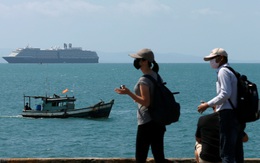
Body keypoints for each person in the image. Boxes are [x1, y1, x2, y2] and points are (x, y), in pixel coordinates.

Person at [114, 48, 168, 163]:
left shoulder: (144, 80)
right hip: (159, 120)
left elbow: (146, 102)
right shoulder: (157, 76)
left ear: (144, 61)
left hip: (147, 121)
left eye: (138, 59)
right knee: (158, 154)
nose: (136, 61)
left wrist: (129, 93)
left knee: (141, 155)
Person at [197, 48, 243, 163]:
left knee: (226, 152)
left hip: (228, 115)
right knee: (237, 151)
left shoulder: (223, 71)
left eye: (213, 58)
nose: (211, 61)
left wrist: (207, 105)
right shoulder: (231, 71)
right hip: (236, 114)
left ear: (221, 58)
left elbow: (225, 93)